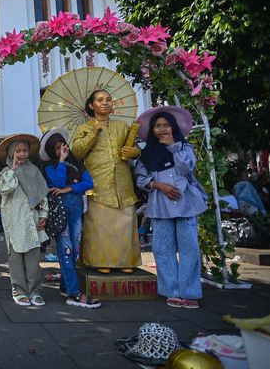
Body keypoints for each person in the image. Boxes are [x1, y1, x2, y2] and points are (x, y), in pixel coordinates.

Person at [135, 106, 207, 309]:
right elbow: (141, 180)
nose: (162, 129)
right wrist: (159, 185)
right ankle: (171, 291)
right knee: (163, 249)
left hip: (186, 203)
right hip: (160, 204)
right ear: (152, 130)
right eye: (158, 126)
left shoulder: (185, 148)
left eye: (166, 125)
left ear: (174, 127)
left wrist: (174, 147)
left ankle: (189, 291)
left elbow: (186, 168)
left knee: (189, 248)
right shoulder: (147, 154)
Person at [71, 89, 141, 274]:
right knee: (100, 226)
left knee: (125, 224)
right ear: (91, 105)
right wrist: (93, 133)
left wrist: (134, 152)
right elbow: (77, 151)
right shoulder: (84, 128)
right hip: (98, 185)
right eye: (100, 100)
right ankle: (100, 260)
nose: (105, 103)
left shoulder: (122, 126)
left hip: (123, 184)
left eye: (108, 100)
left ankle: (126, 260)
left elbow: (134, 148)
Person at [40, 128, 100, 309]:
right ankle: (74, 293)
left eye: (63, 146)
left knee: (74, 250)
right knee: (65, 250)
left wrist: (69, 188)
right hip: (61, 211)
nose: (61, 150)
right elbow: (57, 183)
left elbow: (89, 183)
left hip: (76, 209)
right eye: (57, 148)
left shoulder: (78, 164)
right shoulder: (50, 166)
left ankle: (66, 286)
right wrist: (62, 162)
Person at [0, 134, 48, 307]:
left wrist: (44, 215)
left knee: (33, 259)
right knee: (16, 258)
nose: (22, 154)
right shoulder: (6, 173)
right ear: (11, 153)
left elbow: (42, 196)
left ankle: (34, 290)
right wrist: (13, 169)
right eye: (17, 151)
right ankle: (18, 291)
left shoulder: (34, 172)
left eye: (24, 150)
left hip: (32, 220)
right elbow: (5, 190)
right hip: (14, 221)